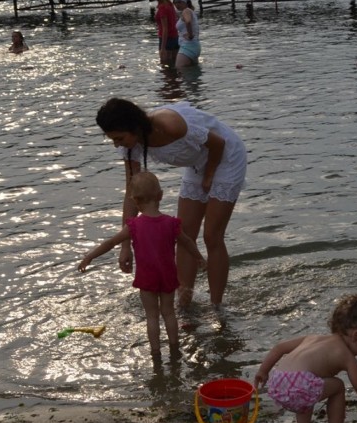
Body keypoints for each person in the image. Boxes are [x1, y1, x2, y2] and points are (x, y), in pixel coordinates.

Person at [95, 98, 247, 309]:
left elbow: (217, 143)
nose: (117, 144)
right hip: (197, 162)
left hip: (225, 156)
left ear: (135, 126)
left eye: (119, 138)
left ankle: (217, 306)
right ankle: (185, 303)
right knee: (184, 232)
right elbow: (132, 191)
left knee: (212, 235)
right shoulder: (131, 146)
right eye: (113, 140)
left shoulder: (169, 124)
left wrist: (209, 175)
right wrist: (125, 245)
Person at [78, 171, 206, 359]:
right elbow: (187, 242)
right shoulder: (171, 224)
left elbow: (110, 243)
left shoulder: (134, 225)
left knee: (152, 316)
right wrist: (199, 258)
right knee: (169, 313)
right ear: (160, 196)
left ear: (135, 202)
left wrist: (90, 256)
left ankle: (155, 352)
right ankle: (174, 347)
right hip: (168, 275)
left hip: (147, 277)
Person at [254, 294, 357, 423]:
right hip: (299, 386)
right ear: (356, 335)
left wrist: (263, 371)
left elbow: (279, 347)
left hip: (277, 383)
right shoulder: (347, 357)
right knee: (337, 386)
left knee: (310, 385)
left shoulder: (313, 338)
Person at [148, 0, 179, 67]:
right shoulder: (169, 4)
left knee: (165, 68)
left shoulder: (162, 8)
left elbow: (165, 29)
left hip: (167, 39)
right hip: (175, 38)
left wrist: (163, 48)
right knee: (174, 67)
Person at [173, 0, 201, 68]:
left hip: (187, 46)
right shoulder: (191, 11)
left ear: (185, 2)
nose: (177, 4)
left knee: (179, 69)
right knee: (193, 76)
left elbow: (188, 21)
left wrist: (190, 35)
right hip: (194, 46)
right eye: (175, 2)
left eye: (179, 2)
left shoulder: (186, 11)